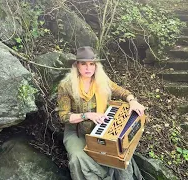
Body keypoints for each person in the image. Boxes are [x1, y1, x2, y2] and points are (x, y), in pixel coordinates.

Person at [57, 46, 145, 180]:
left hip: (103, 128)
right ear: (77, 65)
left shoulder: (102, 80)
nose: (88, 68)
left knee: (116, 152)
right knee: (77, 158)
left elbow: (121, 92)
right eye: (84, 64)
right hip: (77, 133)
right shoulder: (66, 86)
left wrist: (132, 101)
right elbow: (63, 116)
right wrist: (87, 115)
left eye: (92, 64)